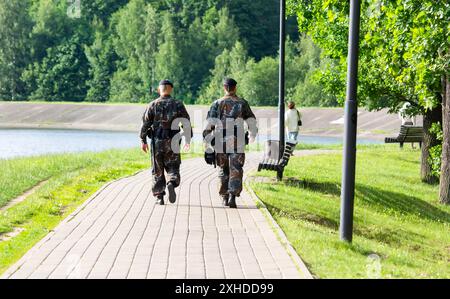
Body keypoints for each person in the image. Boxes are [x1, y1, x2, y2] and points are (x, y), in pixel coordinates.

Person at [203, 78, 258, 208]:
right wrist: (252, 134)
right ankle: (233, 196)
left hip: (220, 140)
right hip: (237, 139)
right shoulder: (242, 103)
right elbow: (251, 120)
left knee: (223, 168)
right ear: (235, 88)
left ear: (224, 88)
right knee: (236, 168)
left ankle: (224, 196)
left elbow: (209, 125)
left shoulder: (217, 103)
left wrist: (207, 144)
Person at [140, 79, 192, 205]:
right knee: (173, 166)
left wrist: (143, 140)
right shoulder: (178, 104)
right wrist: (187, 139)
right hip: (173, 140)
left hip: (157, 140)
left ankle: (159, 196)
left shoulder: (153, 104)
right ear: (171, 89)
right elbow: (186, 122)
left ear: (159, 89)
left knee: (158, 169)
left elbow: (145, 124)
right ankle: (171, 182)